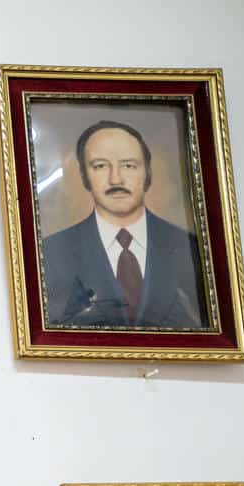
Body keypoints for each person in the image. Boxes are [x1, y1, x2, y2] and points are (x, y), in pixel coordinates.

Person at [39, 120, 206, 329]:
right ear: (84, 176)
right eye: (100, 166)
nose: (116, 180)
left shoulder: (191, 249)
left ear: (148, 173)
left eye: (129, 166)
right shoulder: (50, 252)